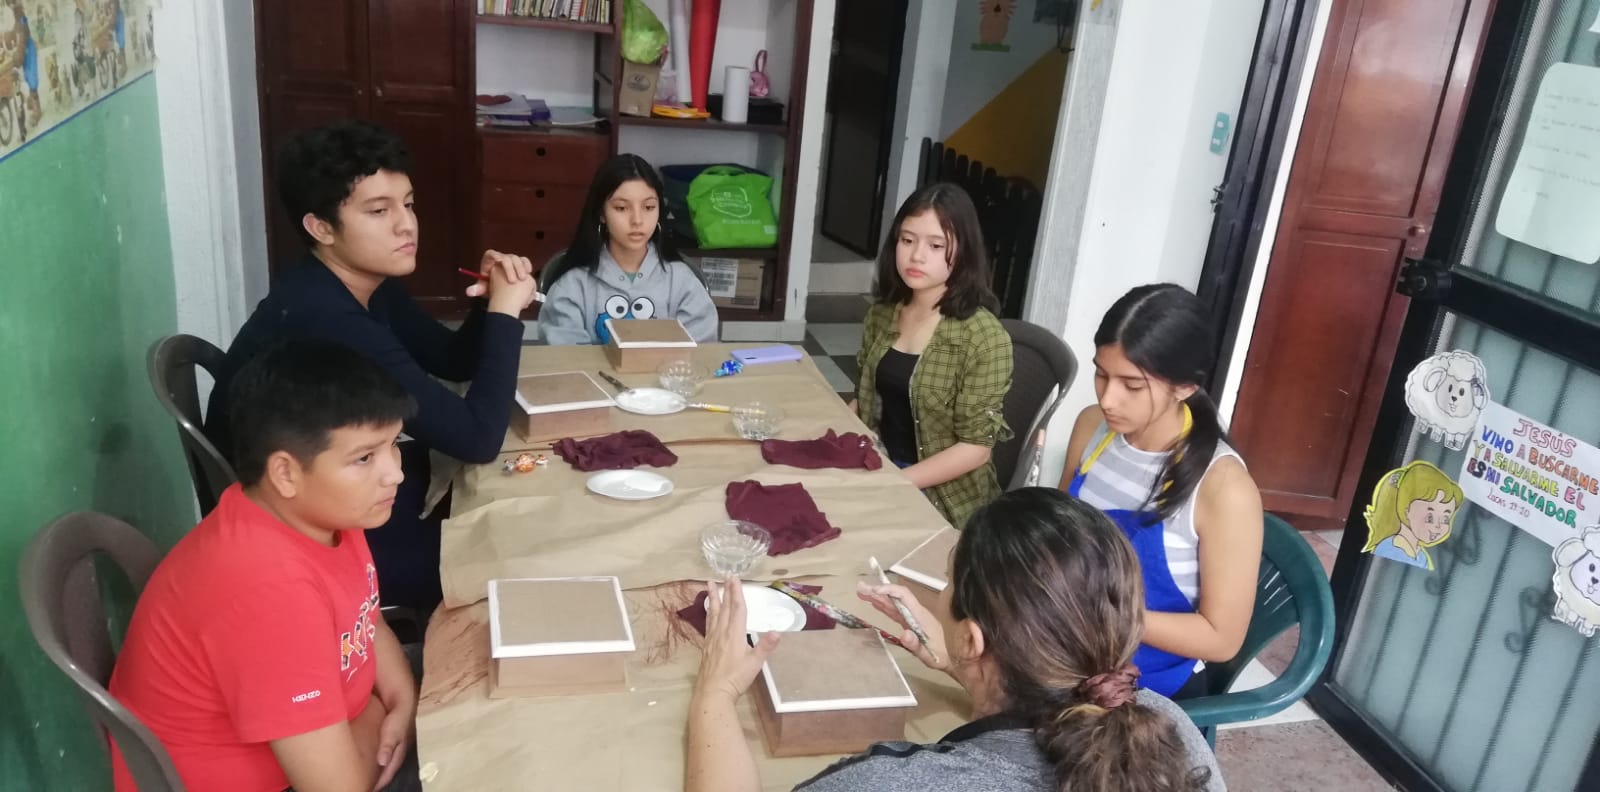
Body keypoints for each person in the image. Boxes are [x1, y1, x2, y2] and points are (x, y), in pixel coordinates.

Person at [685, 488, 1224, 792]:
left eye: (945, 582)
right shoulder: (1164, 725)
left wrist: (715, 694)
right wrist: (961, 665)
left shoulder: (904, 784)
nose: (940, 594)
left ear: (972, 636)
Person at [206, 119, 539, 609]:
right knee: (517, 549)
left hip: (329, 487)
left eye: (408, 204)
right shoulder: (326, 317)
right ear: (320, 228)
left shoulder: (358, 283)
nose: (406, 225)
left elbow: (451, 359)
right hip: (299, 541)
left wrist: (488, 303)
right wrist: (507, 314)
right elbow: (477, 439)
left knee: (519, 493)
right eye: (379, 211)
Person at [111, 340, 421, 792]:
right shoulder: (267, 587)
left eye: (394, 445)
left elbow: (366, 618)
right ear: (285, 473)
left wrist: (403, 700)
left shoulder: (318, 512)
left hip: (324, 739)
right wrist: (377, 714)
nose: (395, 473)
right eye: (365, 458)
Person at [1058, 283, 1264, 699]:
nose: (1108, 399)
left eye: (1132, 385)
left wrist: (1105, 615)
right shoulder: (1092, 427)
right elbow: (1058, 538)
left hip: (1147, 689)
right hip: (1067, 653)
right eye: (1101, 374)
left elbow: (1222, 640)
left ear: (1185, 387)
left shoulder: (1223, 487)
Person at [852, 183, 1013, 529]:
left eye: (936, 245)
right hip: (878, 466)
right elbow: (864, 401)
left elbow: (976, 448)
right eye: (907, 240)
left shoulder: (983, 337)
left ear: (964, 251)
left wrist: (894, 484)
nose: (916, 256)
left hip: (945, 498)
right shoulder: (882, 314)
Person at [538, 154, 720, 345]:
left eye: (648, 207)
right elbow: (566, 357)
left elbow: (699, 352)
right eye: (621, 208)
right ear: (601, 213)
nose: (637, 220)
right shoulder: (572, 285)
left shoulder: (683, 281)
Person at [1361, 460, 1462, 570]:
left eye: (1445, 519)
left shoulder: (1421, 556)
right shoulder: (1389, 550)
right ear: (1406, 511)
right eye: (1430, 517)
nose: (1438, 526)